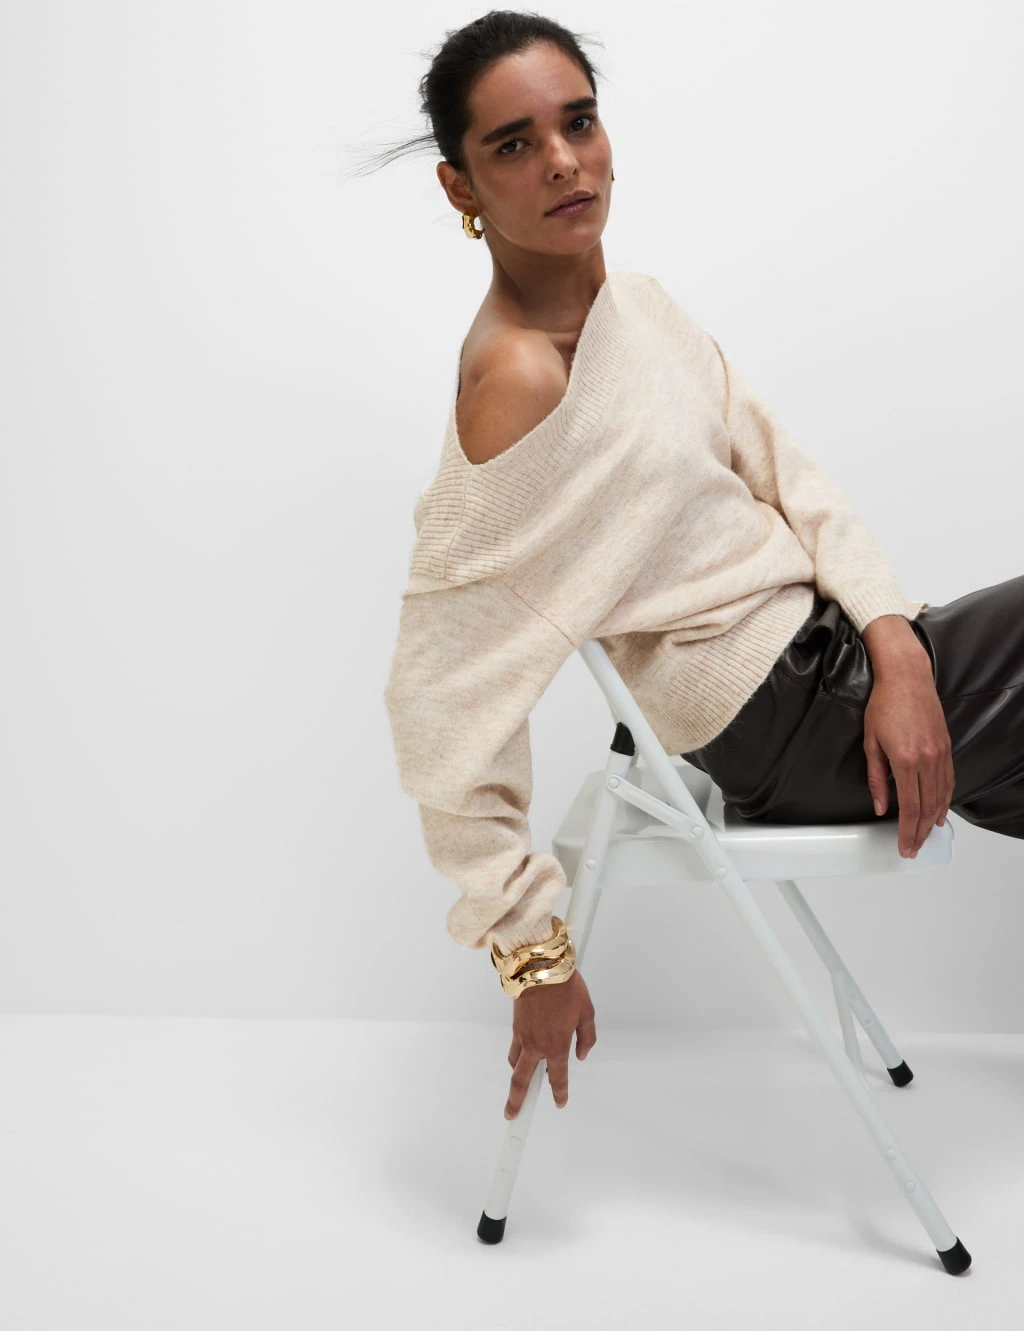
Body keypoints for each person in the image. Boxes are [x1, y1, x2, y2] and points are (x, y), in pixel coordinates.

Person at [358, 12, 1024, 1123]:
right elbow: (439, 709)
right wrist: (531, 950)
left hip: (845, 663)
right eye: (514, 144)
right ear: (458, 186)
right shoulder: (518, 384)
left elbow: (792, 475)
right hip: (790, 719)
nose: (563, 160)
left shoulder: (640, 307)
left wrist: (894, 638)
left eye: (578, 123)